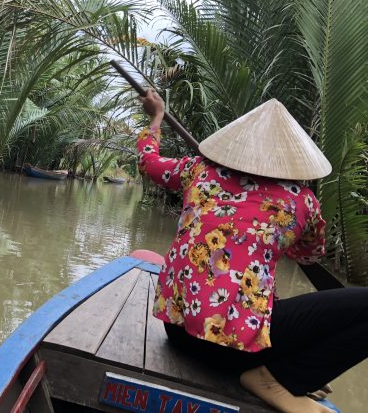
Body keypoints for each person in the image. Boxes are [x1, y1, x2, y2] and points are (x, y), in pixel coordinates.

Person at [136, 89, 368, 413]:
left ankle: (285, 366)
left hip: (177, 331)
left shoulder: (197, 170)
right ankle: (280, 376)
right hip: (235, 353)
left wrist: (157, 116)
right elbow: (309, 255)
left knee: (264, 299)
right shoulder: (301, 201)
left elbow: (149, 163)